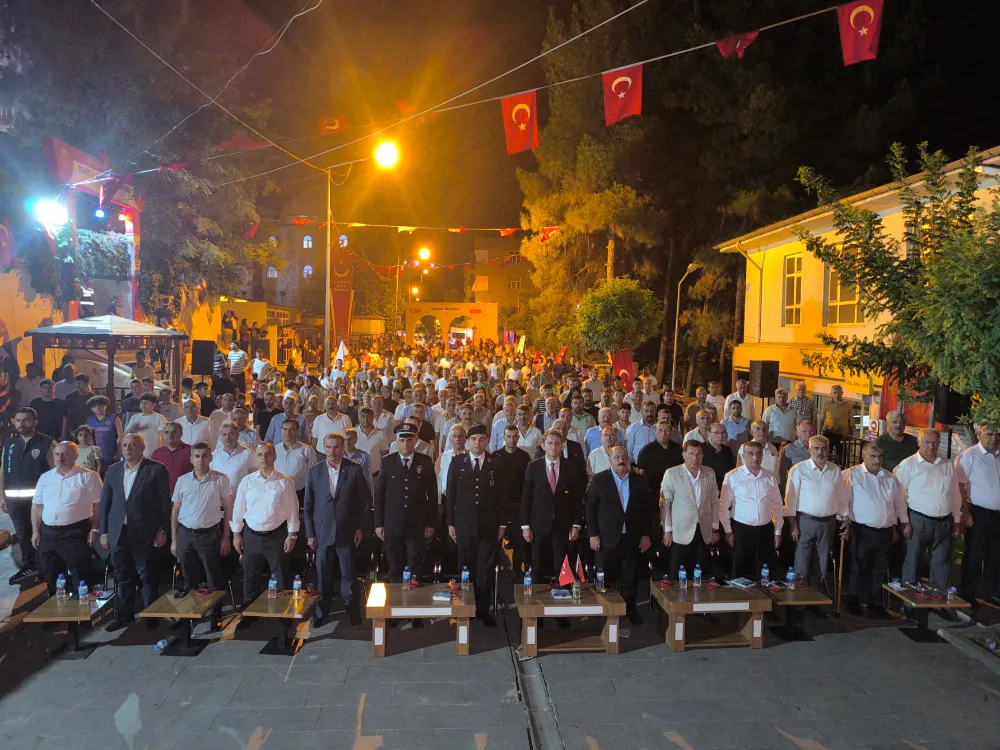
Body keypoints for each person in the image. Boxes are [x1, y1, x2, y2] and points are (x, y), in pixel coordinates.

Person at [99, 434, 172, 631]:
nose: (127, 448)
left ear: (142, 447)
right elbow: (105, 502)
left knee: (147, 575)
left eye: (132, 445)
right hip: (118, 532)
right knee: (123, 575)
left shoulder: (156, 469)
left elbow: (165, 504)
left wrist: (162, 530)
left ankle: (150, 616)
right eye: (124, 445)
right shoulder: (113, 470)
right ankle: (124, 615)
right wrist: (103, 532)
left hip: (145, 532)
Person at [305, 432, 371, 627]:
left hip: (347, 532)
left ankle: (352, 610)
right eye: (328, 447)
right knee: (322, 576)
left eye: (336, 447)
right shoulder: (314, 471)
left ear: (342, 448)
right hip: (322, 534)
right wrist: (310, 534)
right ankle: (322, 612)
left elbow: (366, 503)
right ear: (323, 448)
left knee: (349, 576)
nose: (332, 451)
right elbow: (308, 506)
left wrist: (361, 528)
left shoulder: (355, 469)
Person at [375, 425, 437, 620]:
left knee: (415, 570)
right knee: (395, 570)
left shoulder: (425, 462)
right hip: (393, 525)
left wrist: (431, 523)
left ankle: (414, 612)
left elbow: (432, 495)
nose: (405, 444)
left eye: (409, 440)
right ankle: (396, 611)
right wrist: (378, 523)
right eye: (402, 440)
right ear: (396, 441)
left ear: (415, 440)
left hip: (416, 526)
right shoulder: (387, 462)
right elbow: (380, 495)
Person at [586, 446, 653, 624]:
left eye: (624, 457)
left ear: (629, 459)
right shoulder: (599, 480)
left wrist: (646, 535)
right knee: (605, 578)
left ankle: (630, 609)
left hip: (631, 537)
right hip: (606, 538)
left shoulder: (639, 481)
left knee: (631, 577)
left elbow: (648, 510)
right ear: (610, 460)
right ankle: (605, 612)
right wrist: (593, 534)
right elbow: (590, 509)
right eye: (616, 457)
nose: (621, 460)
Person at [446, 424, 504, 627]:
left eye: (481, 439)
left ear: (486, 441)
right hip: (464, 525)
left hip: (488, 525)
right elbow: (451, 495)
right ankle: (466, 608)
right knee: (465, 568)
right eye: (473, 439)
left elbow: (502, 497)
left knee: (485, 570)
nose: (477, 443)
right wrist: (450, 523)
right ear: (467, 441)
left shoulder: (496, 463)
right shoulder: (457, 462)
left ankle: (482, 610)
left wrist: (502, 524)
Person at [232, 442, 300, 610]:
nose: (264, 458)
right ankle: (249, 612)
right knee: (250, 576)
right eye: (260, 455)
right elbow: (238, 509)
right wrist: (236, 534)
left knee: (280, 575)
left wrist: (292, 535)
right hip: (251, 536)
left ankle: (283, 613)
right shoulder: (247, 481)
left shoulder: (285, 482)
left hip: (277, 536)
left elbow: (293, 510)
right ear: (256, 458)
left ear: (275, 456)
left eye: (268, 454)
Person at [30, 440, 102, 596]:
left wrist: (95, 529)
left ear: (76, 456)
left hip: (75, 533)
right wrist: (35, 531)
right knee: (50, 573)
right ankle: (58, 607)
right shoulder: (45, 478)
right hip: (48, 534)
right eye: (57, 454)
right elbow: (37, 506)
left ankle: (81, 610)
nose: (60, 458)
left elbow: (98, 505)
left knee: (80, 575)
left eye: (65, 454)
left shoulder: (88, 476)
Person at [842, 442, 905, 617]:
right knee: (858, 567)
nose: (877, 460)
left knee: (879, 569)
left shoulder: (889, 477)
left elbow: (895, 504)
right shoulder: (851, 475)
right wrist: (845, 521)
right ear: (863, 456)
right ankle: (853, 600)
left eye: (880, 456)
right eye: (873, 456)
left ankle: (874, 602)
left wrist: (895, 526)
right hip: (861, 530)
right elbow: (843, 501)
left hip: (885, 530)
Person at [521, 430, 586, 599]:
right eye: (550, 443)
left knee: (562, 565)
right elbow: (526, 498)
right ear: (543, 445)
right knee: (537, 565)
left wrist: (576, 524)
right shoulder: (533, 466)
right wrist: (525, 526)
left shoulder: (570, 466)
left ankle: (562, 604)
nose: (554, 447)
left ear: (562, 445)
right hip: (538, 525)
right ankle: (536, 603)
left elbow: (576, 499)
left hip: (563, 525)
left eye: (557, 443)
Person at [894, 428, 962, 591]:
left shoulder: (947, 464)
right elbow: (897, 496)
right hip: (919, 521)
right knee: (913, 561)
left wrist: (957, 519)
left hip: (944, 521)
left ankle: (938, 598)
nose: (931, 446)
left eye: (935, 443)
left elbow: (955, 493)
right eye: (927, 442)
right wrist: (904, 521)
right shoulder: (908, 464)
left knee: (942, 563)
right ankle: (909, 599)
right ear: (919, 442)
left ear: (939, 443)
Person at [170, 442, 233, 605]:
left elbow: (228, 508)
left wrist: (226, 537)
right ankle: (191, 614)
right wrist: (174, 540)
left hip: (209, 534)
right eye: (197, 456)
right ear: (191, 459)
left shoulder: (221, 479)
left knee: (213, 578)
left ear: (210, 458)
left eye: (204, 456)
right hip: (185, 534)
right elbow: (175, 511)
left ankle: (214, 614)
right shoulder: (182, 480)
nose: (200, 460)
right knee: (189, 579)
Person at [784, 435, 848, 591]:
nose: (820, 452)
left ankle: (816, 598)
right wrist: (793, 525)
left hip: (828, 523)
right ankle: (798, 600)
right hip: (805, 522)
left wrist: (845, 516)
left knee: (822, 563)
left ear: (828, 450)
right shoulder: (798, 469)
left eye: (824, 448)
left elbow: (840, 496)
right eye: (816, 448)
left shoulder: (835, 470)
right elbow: (790, 499)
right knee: (802, 562)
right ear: (809, 449)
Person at [1, 407, 56, 584]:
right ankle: (29, 566)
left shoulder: (46, 442)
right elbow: (3, 470)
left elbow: (55, 472)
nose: (21, 424)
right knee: (23, 534)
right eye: (18, 420)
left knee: (41, 532)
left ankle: (47, 567)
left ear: (35, 422)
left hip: (38, 500)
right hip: (13, 500)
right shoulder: (9, 444)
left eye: (26, 420)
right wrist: (2, 497)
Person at [720, 441, 783, 580]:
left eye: (758, 454)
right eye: (751, 454)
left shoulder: (770, 477)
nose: (755, 457)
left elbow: (778, 505)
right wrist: (728, 530)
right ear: (743, 456)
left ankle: (763, 594)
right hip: (742, 531)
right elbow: (723, 506)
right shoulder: (732, 476)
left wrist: (777, 531)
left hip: (765, 530)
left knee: (764, 571)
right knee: (741, 570)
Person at [660, 441, 720, 580]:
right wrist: (667, 530)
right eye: (691, 454)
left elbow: (715, 502)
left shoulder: (709, 473)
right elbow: (665, 504)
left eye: (698, 454)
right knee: (678, 573)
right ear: (683, 454)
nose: (695, 458)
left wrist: (715, 528)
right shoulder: (672, 473)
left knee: (702, 573)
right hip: (680, 531)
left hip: (704, 529)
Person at [956, 425, 1000, 608]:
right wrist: (965, 512)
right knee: (974, 554)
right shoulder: (970, 455)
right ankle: (968, 593)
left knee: (995, 555)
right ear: (979, 434)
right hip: (978, 512)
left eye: (997, 434)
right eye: (990, 434)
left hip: (997, 515)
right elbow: (960, 485)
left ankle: (990, 593)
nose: (994, 438)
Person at [493, 423, 532, 578]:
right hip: (499, 504)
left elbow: (528, 482)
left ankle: (517, 569)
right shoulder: (496, 456)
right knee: (497, 537)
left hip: (518, 503)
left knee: (518, 538)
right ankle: (499, 568)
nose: (512, 439)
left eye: (515, 436)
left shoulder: (524, 456)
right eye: (509, 436)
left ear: (518, 437)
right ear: (504, 437)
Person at [636, 418, 683, 496]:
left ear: (671, 432)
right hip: (653, 491)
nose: (663, 433)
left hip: (675, 490)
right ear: (655, 431)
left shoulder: (679, 449)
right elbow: (640, 474)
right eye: (660, 430)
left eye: (667, 430)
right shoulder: (646, 451)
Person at [275, 418, 315, 507]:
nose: (288, 432)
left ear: (297, 431)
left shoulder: (307, 450)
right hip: (277, 492)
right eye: (285, 429)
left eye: (291, 429)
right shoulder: (274, 450)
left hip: (299, 492)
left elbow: (313, 473)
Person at [210, 423, 259, 493]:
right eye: (224, 434)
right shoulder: (214, 455)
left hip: (240, 497)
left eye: (231, 434)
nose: (227, 438)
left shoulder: (248, 453)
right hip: (219, 498)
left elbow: (255, 478)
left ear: (238, 435)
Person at [150, 421, 193, 494]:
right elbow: (152, 476)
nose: (170, 435)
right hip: (162, 495)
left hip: (186, 494)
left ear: (181, 434)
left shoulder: (191, 451)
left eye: (174, 432)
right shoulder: (157, 453)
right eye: (167, 432)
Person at [777, 420, 815, 493]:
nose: (808, 433)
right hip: (797, 490)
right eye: (804, 431)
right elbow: (782, 474)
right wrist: (784, 493)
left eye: (811, 431)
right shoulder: (788, 450)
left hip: (815, 489)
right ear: (797, 433)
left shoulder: (819, 448)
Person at [125, 394, 166, 458]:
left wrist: (162, 452)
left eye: (147, 402)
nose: (143, 405)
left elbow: (164, 437)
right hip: (137, 453)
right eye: (141, 402)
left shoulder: (159, 417)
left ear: (153, 405)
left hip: (154, 453)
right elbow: (126, 436)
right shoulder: (135, 417)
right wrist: (133, 427)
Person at [821, 385, 853, 464]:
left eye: (838, 392)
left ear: (842, 393)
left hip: (842, 434)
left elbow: (851, 421)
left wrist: (851, 434)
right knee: (827, 454)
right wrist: (819, 433)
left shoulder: (847, 405)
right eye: (834, 392)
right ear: (831, 393)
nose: (836, 394)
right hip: (829, 433)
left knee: (842, 456)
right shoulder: (827, 404)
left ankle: (840, 469)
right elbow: (821, 419)